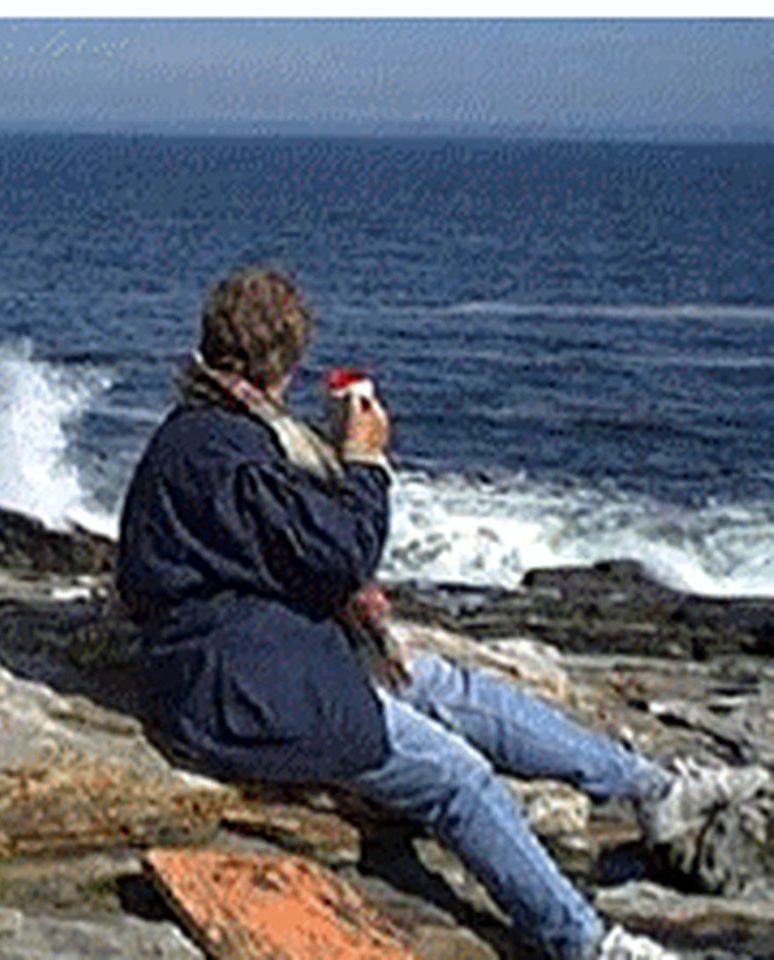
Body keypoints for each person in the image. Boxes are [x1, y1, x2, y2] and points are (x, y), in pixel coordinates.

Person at [115, 265, 769, 960]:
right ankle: (586, 943)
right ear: (290, 358)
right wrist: (365, 462)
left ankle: (652, 787)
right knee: (457, 778)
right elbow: (340, 555)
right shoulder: (231, 454)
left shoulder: (206, 429)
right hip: (241, 689)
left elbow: (282, 553)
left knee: (448, 687)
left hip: (246, 655)